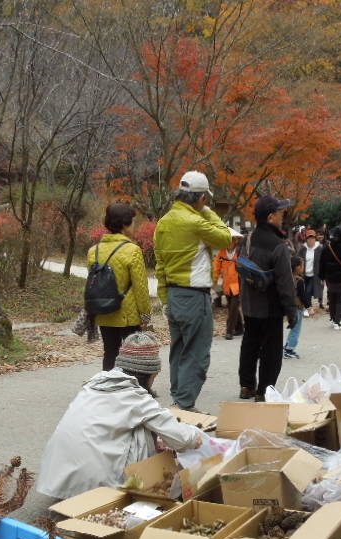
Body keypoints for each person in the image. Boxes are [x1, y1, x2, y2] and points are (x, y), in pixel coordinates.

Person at [36, 332, 203, 499]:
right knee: (142, 431)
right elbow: (183, 439)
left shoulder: (92, 385)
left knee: (136, 426)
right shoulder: (138, 399)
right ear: (150, 374)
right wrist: (197, 438)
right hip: (97, 493)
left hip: (56, 481)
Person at [153, 170, 235, 410]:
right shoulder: (197, 222)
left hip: (174, 295)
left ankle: (179, 397)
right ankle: (185, 405)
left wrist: (165, 298)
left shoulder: (164, 222)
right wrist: (208, 212)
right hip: (194, 295)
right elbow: (225, 238)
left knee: (179, 350)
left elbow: (159, 264)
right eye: (205, 199)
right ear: (201, 198)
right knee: (198, 353)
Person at [238, 194, 297, 400]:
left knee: (250, 344)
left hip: (248, 305)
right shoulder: (278, 244)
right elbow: (285, 282)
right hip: (270, 307)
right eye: (280, 212)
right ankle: (264, 390)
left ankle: (246, 385)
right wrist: (291, 311)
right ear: (271, 217)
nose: (283, 216)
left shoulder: (247, 239)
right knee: (271, 352)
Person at [87, 203, 151, 371]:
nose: (134, 225)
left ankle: (108, 389)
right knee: (134, 355)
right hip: (128, 315)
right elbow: (141, 289)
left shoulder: (95, 251)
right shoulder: (132, 250)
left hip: (104, 311)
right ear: (124, 223)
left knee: (110, 353)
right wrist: (145, 317)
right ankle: (134, 390)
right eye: (132, 221)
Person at [320, 226, 341, 329]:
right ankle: (337, 321)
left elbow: (321, 263)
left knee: (332, 299)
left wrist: (322, 276)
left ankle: (333, 318)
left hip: (330, 278)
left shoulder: (327, 247)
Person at [214, 244, 243, 340]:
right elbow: (216, 269)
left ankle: (229, 331)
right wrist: (214, 282)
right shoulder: (222, 253)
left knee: (233, 308)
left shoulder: (240, 252)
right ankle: (240, 328)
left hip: (238, 284)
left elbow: (245, 266)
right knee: (231, 306)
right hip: (227, 285)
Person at [284, 254, 308, 359]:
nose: (303, 268)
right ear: (297, 267)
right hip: (298, 308)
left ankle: (287, 347)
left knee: (293, 328)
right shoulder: (300, 281)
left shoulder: (287, 278)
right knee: (296, 329)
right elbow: (303, 296)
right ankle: (289, 349)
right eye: (302, 265)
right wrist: (309, 307)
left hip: (289, 307)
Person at [296, 229, 323, 314]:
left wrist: (323, 276)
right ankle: (308, 306)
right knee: (304, 292)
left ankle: (308, 308)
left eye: (312, 238)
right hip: (304, 274)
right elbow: (297, 260)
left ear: (315, 238)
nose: (310, 240)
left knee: (308, 291)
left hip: (314, 275)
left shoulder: (320, 248)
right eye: (309, 238)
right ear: (306, 239)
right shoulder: (303, 249)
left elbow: (323, 262)